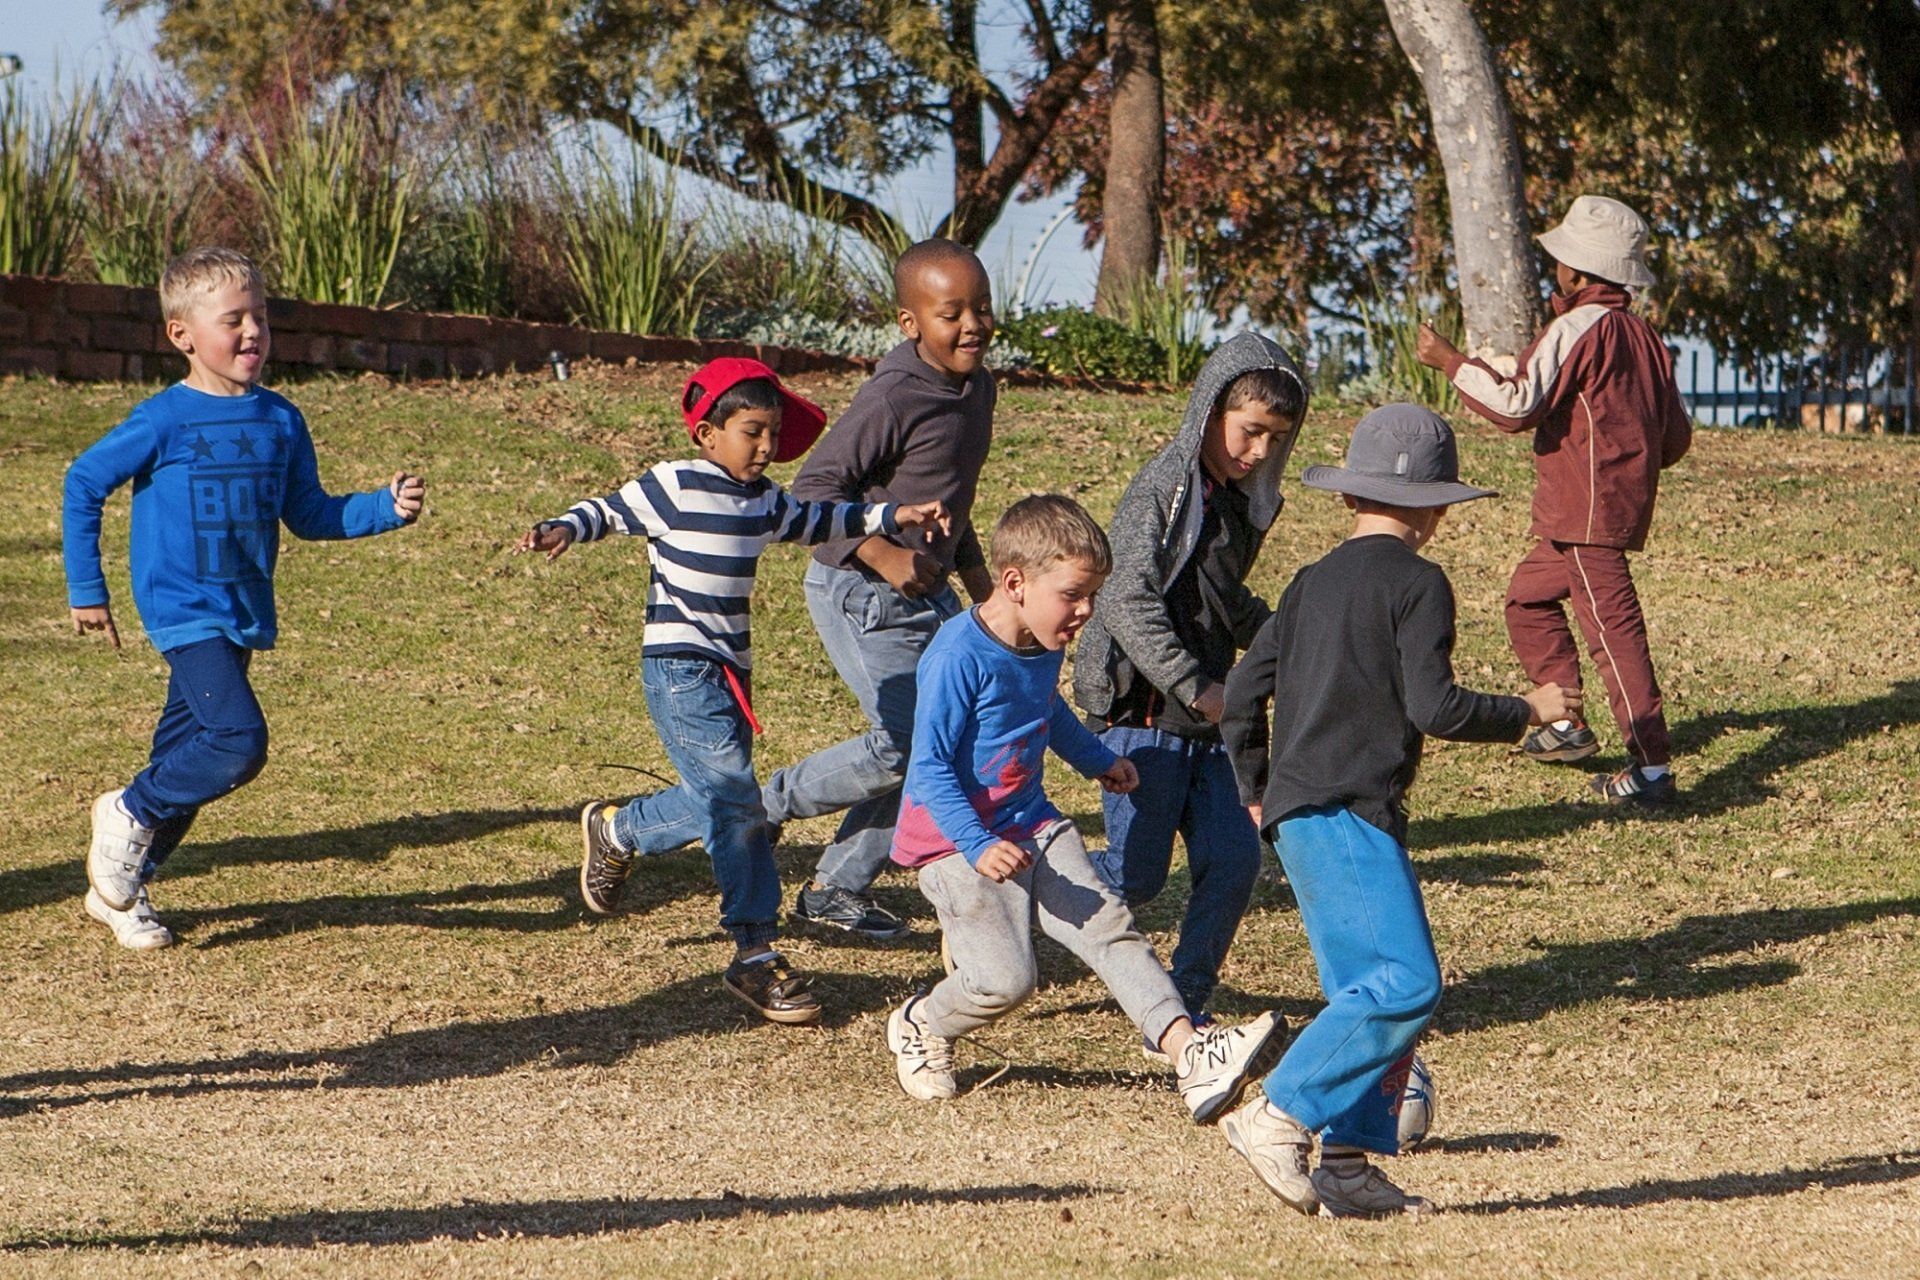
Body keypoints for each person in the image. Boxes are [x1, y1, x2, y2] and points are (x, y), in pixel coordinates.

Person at [1218, 406, 1578, 1218]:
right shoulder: (1419, 583)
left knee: (1363, 992)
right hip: (1351, 812)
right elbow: (1437, 707)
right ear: (1437, 507)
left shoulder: (1308, 583)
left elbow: (1241, 693)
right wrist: (1527, 708)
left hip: (1296, 815)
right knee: (1407, 983)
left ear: (1352, 496)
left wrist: (1253, 787)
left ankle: (1344, 1165)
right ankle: (1277, 1112)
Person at [521, 357, 948, 1024]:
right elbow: (608, 511)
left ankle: (620, 829)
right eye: (752, 431)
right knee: (740, 807)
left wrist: (896, 514)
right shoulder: (676, 484)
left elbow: (821, 520)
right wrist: (564, 528)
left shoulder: (764, 500)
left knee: (725, 800)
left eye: (774, 434)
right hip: (679, 666)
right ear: (707, 434)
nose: (766, 447)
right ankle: (755, 952)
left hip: (729, 675)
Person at [609, 238, 1001, 940]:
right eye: (952, 312)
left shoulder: (977, 387)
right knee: (910, 744)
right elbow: (817, 491)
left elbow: (949, 497)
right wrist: (884, 557)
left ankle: (835, 888)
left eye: (983, 308)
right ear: (910, 323)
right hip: (860, 589)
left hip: (928, 590)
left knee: (945, 741)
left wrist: (980, 585)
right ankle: (748, 809)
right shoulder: (894, 394)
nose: (973, 324)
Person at [64, 246, 426, 950]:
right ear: (182, 335)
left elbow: (312, 514)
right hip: (182, 607)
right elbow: (83, 481)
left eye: (260, 316)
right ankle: (125, 812)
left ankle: (122, 886)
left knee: (191, 754)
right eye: (234, 319)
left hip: (242, 611)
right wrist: (88, 589)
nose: (253, 332)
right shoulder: (163, 420)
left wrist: (385, 508)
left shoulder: (281, 420)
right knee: (236, 742)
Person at [883, 495, 1288, 1119]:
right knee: (1006, 982)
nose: (1087, 612)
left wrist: (1097, 760)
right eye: (1073, 594)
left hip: (1031, 823)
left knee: (1109, 927)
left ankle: (1191, 1055)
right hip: (952, 841)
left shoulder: (1040, 644)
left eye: (1092, 596)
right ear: (1015, 583)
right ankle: (920, 1022)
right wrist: (976, 843)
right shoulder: (957, 657)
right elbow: (929, 768)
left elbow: (1046, 711)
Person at [1072, 333, 1308, 1051]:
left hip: (1213, 722)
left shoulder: (1239, 505)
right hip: (1144, 715)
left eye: (1277, 437)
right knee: (1133, 880)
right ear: (1209, 411)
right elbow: (1123, 594)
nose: (1261, 450)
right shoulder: (1160, 489)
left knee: (1235, 862)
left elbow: (1217, 596)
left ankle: (1183, 1004)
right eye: (1250, 430)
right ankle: (1005, 917)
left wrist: (1289, 634)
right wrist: (1195, 683)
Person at [1416, 194, 1692, 805]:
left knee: (1614, 635)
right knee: (1527, 600)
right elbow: (1675, 438)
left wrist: (1450, 362)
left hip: (1585, 515)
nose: (1556, 271)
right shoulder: (1646, 338)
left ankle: (1652, 769)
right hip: (1601, 509)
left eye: (1562, 261)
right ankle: (1564, 724)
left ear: (1578, 272)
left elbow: (1516, 406)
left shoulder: (1577, 326)